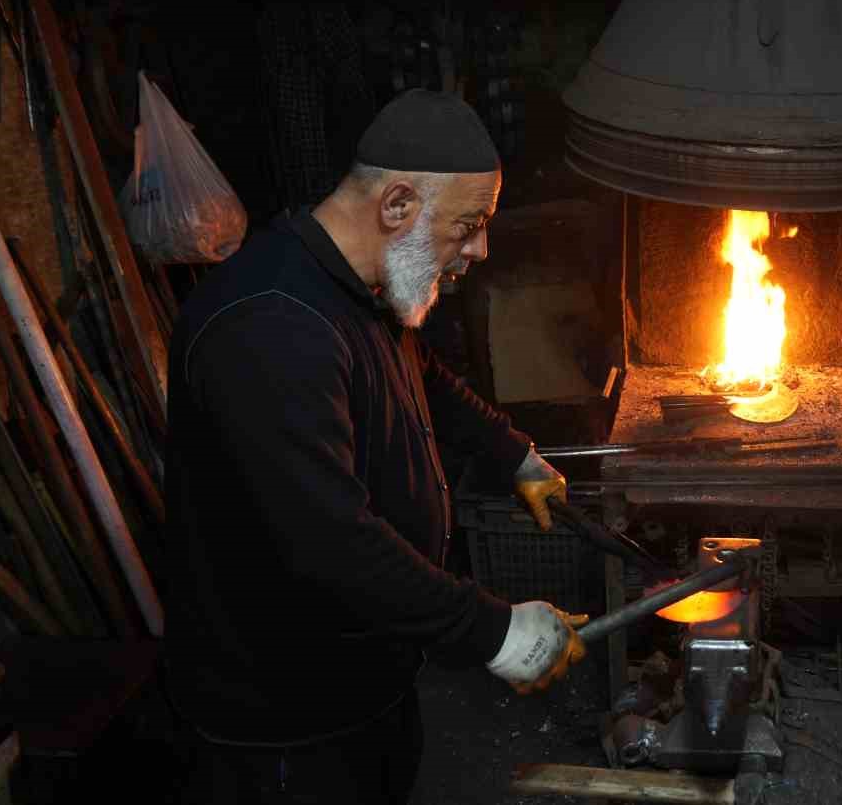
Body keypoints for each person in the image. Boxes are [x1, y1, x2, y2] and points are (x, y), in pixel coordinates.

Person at [165, 89, 586, 804]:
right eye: (469, 226)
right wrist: (494, 632)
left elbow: (421, 373)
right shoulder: (269, 326)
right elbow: (328, 542)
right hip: (287, 728)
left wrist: (511, 453)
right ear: (397, 205)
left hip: (367, 683)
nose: (480, 250)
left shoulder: (349, 283)